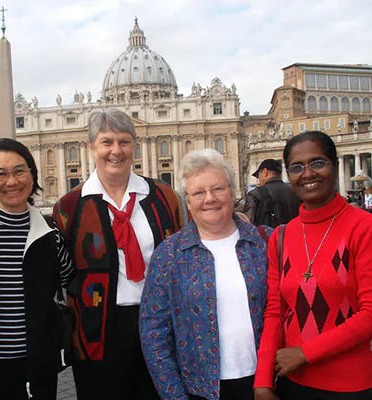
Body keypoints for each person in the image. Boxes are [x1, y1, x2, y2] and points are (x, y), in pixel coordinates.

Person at [53, 109, 185, 400]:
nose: (116, 151)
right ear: (90, 147)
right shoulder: (69, 207)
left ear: (134, 145)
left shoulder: (165, 197)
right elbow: (62, 271)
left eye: (124, 142)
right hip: (96, 331)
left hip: (159, 324)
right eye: (106, 142)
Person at [254, 131, 372, 400]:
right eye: (297, 167)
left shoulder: (365, 227)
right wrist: (262, 381)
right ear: (288, 174)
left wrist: (305, 353)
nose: (308, 174)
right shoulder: (281, 237)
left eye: (318, 163)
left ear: (335, 166)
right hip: (293, 383)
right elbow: (275, 313)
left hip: (354, 386)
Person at [140, 148, 270, 399]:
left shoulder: (264, 243)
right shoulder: (169, 255)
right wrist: (174, 396)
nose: (209, 198)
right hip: (199, 390)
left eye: (218, 189)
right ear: (188, 202)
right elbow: (153, 333)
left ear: (234, 193)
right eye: (198, 192)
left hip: (265, 383)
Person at [0, 138, 74, 399]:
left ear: (32, 175)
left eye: (20, 171)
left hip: (38, 365)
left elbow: (67, 277)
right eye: (1, 173)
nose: (12, 182)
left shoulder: (51, 233)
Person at [244, 159, 301, 227]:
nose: (259, 179)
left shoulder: (255, 194)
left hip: (269, 236)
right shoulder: (296, 191)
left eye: (259, 175)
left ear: (265, 172)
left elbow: (248, 223)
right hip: (296, 234)